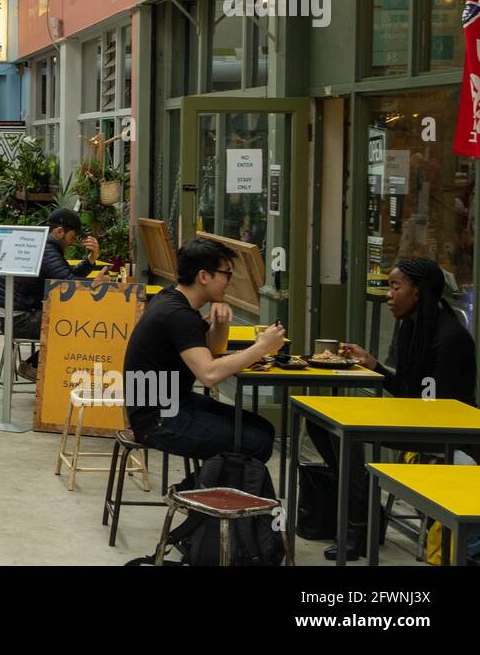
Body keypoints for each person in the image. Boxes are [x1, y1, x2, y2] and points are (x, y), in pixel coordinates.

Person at [307, 257, 478, 560]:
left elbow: (440, 407)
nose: (388, 294)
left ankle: (358, 529)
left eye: (395, 287)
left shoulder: (450, 338)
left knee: (348, 436)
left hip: (445, 433)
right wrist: (373, 364)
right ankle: (362, 512)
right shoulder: (411, 328)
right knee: (321, 424)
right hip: (416, 420)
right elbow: (409, 392)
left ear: (418, 292)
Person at [123, 238, 284, 464]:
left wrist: (221, 322)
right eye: (226, 275)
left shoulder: (173, 298)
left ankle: (204, 490)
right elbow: (209, 375)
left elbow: (213, 352)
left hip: (174, 403)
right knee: (257, 443)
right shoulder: (178, 315)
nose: (229, 281)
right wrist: (263, 347)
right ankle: (189, 493)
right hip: (158, 418)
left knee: (263, 428)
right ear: (204, 276)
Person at [0, 207, 105, 381]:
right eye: (72, 237)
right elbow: (68, 284)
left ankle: (41, 369)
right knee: (74, 327)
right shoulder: (47, 250)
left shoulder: (41, 244)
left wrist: (90, 259)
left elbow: (65, 275)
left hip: (10, 315)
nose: (72, 242)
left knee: (71, 323)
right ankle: (34, 367)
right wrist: (95, 284)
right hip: (18, 319)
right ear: (59, 231)